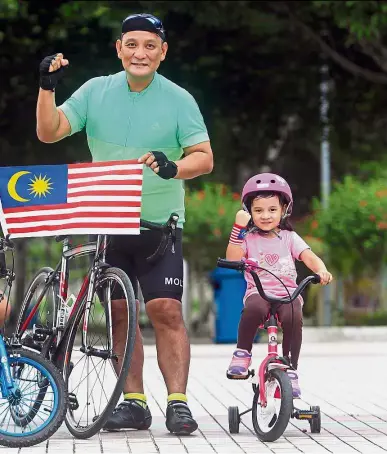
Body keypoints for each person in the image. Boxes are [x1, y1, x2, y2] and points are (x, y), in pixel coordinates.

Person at [36, 13, 213, 435]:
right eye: (132, 44)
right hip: (108, 220)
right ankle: (133, 402)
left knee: (165, 310)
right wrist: (46, 88)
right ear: (119, 48)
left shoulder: (179, 99)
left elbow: (204, 157)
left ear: (163, 52)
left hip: (159, 225)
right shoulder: (97, 90)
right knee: (120, 315)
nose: (140, 52)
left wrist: (174, 168)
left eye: (150, 45)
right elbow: (49, 131)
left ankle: (178, 403)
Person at [225, 173, 332, 398]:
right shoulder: (247, 238)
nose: (265, 215)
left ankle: (290, 368)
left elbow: (309, 256)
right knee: (253, 309)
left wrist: (320, 270)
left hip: (288, 294)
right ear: (249, 212)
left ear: (284, 209)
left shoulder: (289, 237)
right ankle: (243, 353)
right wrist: (238, 228)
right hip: (259, 291)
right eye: (258, 210)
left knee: (294, 315)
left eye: (272, 210)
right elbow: (234, 259)